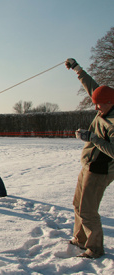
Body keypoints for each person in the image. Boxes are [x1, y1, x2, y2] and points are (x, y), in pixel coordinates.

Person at [66, 58, 114, 258]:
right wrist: (77, 68)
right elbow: (93, 88)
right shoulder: (106, 102)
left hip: (102, 170)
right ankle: (80, 239)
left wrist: (92, 138)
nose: (96, 108)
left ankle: (94, 249)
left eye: (99, 105)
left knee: (87, 209)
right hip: (89, 164)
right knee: (77, 204)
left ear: (110, 103)